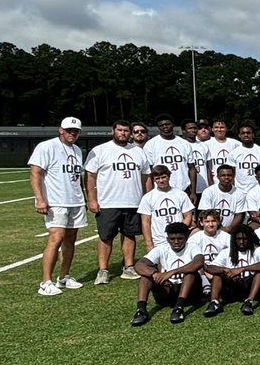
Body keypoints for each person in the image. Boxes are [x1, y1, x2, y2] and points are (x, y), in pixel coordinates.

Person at [84, 118, 148, 284]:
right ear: (113, 131)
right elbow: (90, 175)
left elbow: (145, 176)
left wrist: (147, 198)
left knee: (129, 234)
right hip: (108, 202)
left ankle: (128, 266)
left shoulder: (138, 151)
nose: (123, 133)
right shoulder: (100, 150)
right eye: (120, 130)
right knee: (106, 236)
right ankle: (103, 270)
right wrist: (92, 199)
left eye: (126, 131)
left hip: (133, 201)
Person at [30, 116, 88, 295]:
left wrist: (83, 199)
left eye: (76, 131)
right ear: (60, 130)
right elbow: (35, 173)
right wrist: (40, 199)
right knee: (56, 238)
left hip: (75, 201)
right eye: (69, 130)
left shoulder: (77, 149)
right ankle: (45, 281)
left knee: (71, 239)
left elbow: (78, 178)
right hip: (56, 201)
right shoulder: (46, 146)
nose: (72, 133)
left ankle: (64, 277)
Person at [130, 222, 203, 326]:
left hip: (190, 293)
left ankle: (179, 308)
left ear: (186, 237)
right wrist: (154, 274)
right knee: (146, 276)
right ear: (168, 239)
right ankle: (141, 310)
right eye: (172, 239)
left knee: (190, 273)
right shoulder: (161, 248)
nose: (176, 242)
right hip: (167, 290)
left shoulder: (192, 246)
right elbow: (139, 265)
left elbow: (199, 262)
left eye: (180, 238)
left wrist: (171, 272)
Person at [203, 225, 260, 317]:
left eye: (245, 239)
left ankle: (249, 302)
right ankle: (214, 303)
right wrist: (227, 271)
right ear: (234, 240)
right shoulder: (226, 252)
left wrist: (242, 269)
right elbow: (210, 268)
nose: (241, 242)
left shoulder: (257, 250)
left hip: (253, 287)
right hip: (233, 289)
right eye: (238, 239)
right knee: (217, 274)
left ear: (250, 238)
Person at [137, 165, 195, 252]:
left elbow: (188, 216)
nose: (161, 181)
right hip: (159, 241)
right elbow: (145, 222)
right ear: (154, 180)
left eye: (163, 177)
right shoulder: (148, 198)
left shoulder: (180, 194)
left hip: (178, 239)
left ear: (169, 176)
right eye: (157, 178)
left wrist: (179, 231)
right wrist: (149, 244)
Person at [144, 113, 197, 200]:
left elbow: (192, 168)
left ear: (173, 125)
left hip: (184, 189)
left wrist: (193, 192)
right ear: (158, 127)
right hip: (161, 190)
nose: (165, 127)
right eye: (161, 125)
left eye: (167, 124)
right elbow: (149, 172)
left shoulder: (184, 143)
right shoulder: (151, 144)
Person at [198, 164, 246, 232]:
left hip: (231, 230)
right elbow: (205, 213)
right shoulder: (208, 192)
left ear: (233, 176)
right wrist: (219, 228)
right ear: (218, 177)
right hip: (211, 228)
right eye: (223, 175)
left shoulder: (239, 193)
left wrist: (229, 229)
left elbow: (239, 215)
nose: (226, 177)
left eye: (229, 175)